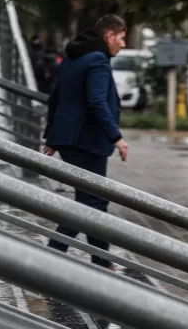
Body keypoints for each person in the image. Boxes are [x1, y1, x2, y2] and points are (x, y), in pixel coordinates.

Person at [42, 14, 129, 270]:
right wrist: (117, 138)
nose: (123, 44)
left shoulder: (74, 55)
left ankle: (101, 261)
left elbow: (56, 96)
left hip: (70, 138)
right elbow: (97, 102)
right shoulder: (98, 60)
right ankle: (56, 252)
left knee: (92, 199)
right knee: (91, 202)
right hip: (87, 140)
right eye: (122, 38)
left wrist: (53, 135)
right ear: (109, 36)